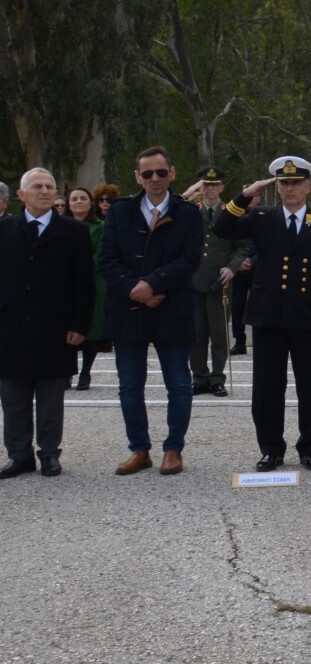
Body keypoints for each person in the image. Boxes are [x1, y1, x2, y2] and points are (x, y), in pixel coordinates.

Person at [214, 156, 311, 471]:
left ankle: (309, 447)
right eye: (284, 183)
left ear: (308, 186)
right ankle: (271, 448)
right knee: (267, 387)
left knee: (309, 387)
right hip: (269, 315)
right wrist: (242, 197)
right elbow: (222, 227)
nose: (290, 188)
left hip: (307, 315)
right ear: (277, 187)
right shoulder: (261, 217)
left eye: (296, 183)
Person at [100, 147, 204, 476]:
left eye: (161, 172)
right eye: (147, 174)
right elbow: (106, 258)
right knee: (130, 385)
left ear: (172, 174)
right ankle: (139, 449)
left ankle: (173, 448)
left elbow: (190, 260)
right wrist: (137, 289)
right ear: (137, 178)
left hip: (172, 308)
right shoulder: (120, 212)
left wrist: (155, 285)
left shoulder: (189, 213)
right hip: (128, 309)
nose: (155, 179)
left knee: (179, 384)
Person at [0, 169, 94, 478]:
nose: (44, 191)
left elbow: (84, 283)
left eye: (49, 186)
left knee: (51, 398)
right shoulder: (4, 229)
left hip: (55, 328)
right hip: (10, 327)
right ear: (21, 194)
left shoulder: (73, 232)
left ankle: (50, 453)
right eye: (37, 186)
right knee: (13, 398)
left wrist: (80, 325)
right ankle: (19, 454)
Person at [183, 168, 249, 398]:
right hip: (194, 280)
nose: (209, 189)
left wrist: (232, 268)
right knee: (196, 334)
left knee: (219, 335)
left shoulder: (230, 213)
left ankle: (217, 378)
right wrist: (189, 191)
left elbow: (242, 246)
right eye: (205, 185)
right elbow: (172, 207)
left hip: (220, 281)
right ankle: (199, 377)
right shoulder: (191, 210)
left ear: (221, 187)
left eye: (214, 185)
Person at [64, 185, 109, 390]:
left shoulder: (100, 226)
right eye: (74, 199)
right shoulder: (60, 225)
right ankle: (67, 372)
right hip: (64, 282)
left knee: (90, 329)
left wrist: (79, 267)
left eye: (83, 198)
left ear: (91, 203)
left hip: (93, 281)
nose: (79, 202)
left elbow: (102, 254)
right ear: (68, 204)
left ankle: (85, 373)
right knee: (65, 327)